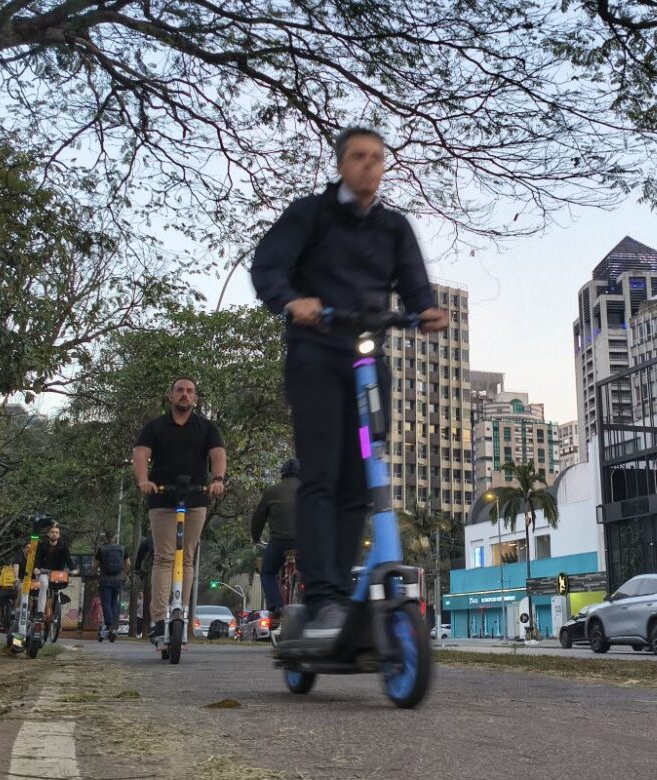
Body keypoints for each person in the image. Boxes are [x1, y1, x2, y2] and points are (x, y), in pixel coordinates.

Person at [250, 127, 447, 642]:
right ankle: (323, 598)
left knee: (363, 479)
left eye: (377, 158)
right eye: (358, 157)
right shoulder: (308, 215)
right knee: (321, 475)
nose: (369, 165)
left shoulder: (393, 227)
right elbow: (268, 267)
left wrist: (425, 309)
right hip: (315, 358)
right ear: (340, 165)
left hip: (367, 365)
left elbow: (414, 283)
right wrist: (293, 301)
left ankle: (345, 590)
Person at [133, 376, 227, 646]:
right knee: (164, 557)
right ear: (171, 395)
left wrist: (218, 480)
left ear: (195, 398)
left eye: (189, 391)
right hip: (162, 498)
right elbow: (140, 455)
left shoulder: (207, 428)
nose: (185, 395)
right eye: (179, 391)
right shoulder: (155, 426)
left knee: (186, 558)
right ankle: (160, 618)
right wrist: (143, 481)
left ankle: (180, 614)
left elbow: (218, 455)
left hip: (196, 497)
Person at [251, 458, 300, 622]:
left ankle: (276, 606)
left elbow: (258, 518)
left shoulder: (271, 491)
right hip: (304, 542)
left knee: (267, 572)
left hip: (280, 542)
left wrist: (256, 538)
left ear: (282, 474)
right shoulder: (308, 490)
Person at [32, 522, 76, 625]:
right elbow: (37, 558)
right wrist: (36, 568)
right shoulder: (42, 545)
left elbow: (68, 559)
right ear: (48, 534)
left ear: (59, 535)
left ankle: (56, 612)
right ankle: (40, 612)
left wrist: (73, 569)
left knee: (58, 588)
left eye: (56, 532)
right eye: (52, 532)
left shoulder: (63, 546)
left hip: (57, 573)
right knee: (44, 585)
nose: (54, 534)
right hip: (44, 572)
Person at [94, 530, 130, 642]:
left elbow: (94, 565)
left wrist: (96, 573)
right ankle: (114, 626)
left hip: (105, 579)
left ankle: (109, 626)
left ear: (106, 538)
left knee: (106, 603)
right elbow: (128, 563)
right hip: (118, 579)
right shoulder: (122, 549)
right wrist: (124, 573)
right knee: (115, 602)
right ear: (115, 537)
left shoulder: (102, 549)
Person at [133, 535, 154, 637]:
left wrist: (137, 569)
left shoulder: (148, 541)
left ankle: (150, 626)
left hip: (149, 571)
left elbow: (139, 556)